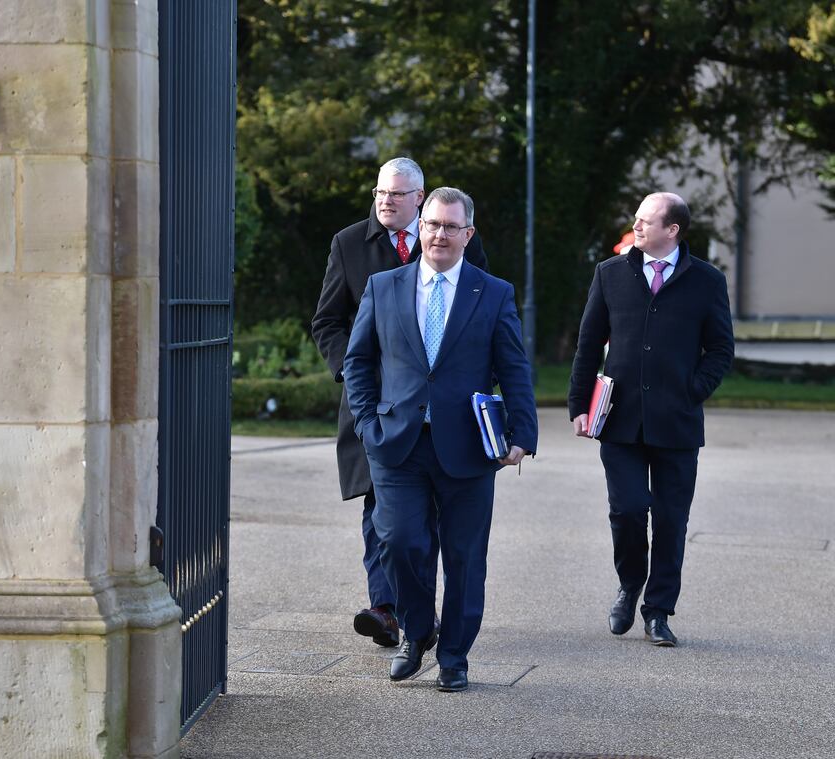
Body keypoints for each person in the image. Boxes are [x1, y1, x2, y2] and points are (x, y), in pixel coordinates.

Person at [343, 187, 537, 692]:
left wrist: (522, 432)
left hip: (469, 447)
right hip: (396, 444)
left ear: (468, 235)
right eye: (432, 224)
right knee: (400, 542)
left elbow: (513, 367)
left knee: (465, 557)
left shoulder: (492, 292)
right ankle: (415, 631)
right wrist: (367, 423)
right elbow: (358, 361)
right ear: (419, 226)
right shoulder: (383, 286)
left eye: (452, 227)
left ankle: (454, 656)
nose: (440, 234)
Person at [311, 158, 487, 649]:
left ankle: (417, 610)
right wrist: (353, 373)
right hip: (373, 407)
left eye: (396, 194)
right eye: (379, 193)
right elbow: (327, 321)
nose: (385, 201)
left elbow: (481, 317)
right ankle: (386, 610)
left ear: (419, 198)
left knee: (427, 515)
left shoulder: (453, 239)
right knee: (381, 510)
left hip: (439, 413)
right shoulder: (348, 244)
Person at [568, 192, 734, 647]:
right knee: (626, 510)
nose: (636, 227)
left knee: (670, 519)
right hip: (618, 420)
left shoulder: (706, 280)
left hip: (677, 424)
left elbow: (721, 350)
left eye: (645, 221)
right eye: (636, 220)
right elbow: (587, 345)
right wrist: (579, 407)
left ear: (672, 230)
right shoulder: (610, 273)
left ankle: (658, 610)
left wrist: (691, 391)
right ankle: (629, 584)